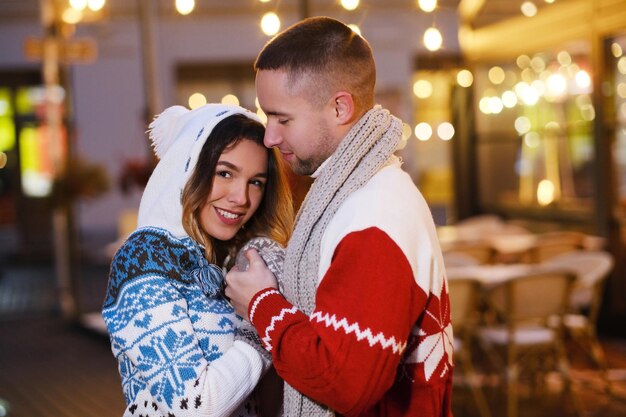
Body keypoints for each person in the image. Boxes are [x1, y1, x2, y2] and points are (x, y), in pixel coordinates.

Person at [225, 16, 453, 417]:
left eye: (282, 118)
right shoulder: (364, 195)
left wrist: (261, 303)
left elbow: (347, 382)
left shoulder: (374, 213)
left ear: (340, 107)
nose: (270, 137)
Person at [102, 103, 294, 417]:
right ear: (189, 168)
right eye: (225, 173)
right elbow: (194, 407)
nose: (241, 197)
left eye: (255, 182)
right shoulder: (144, 259)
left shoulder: (239, 258)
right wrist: (263, 317)